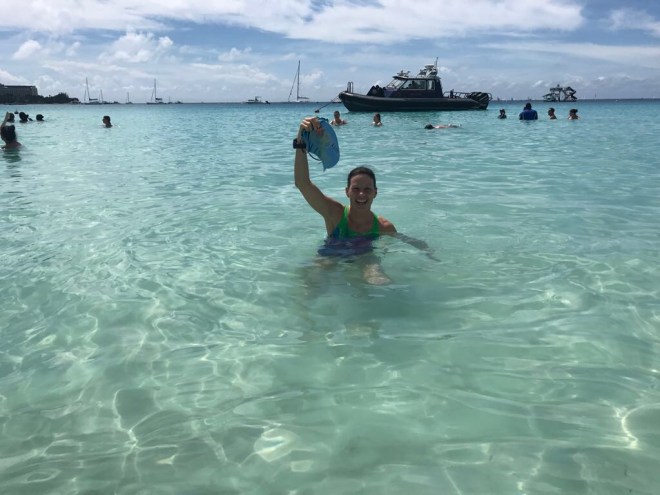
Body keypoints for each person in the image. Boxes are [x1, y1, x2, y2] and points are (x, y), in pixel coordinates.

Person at [293, 116, 436, 283]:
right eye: (356, 189)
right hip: (331, 254)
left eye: (367, 189)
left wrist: (428, 252)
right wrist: (300, 141)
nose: (361, 194)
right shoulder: (334, 213)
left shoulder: (384, 227)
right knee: (314, 276)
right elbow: (302, 183)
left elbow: (406, 239)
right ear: (347, 192)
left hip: (364, 257)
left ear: (375, 193)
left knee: (377, 278)